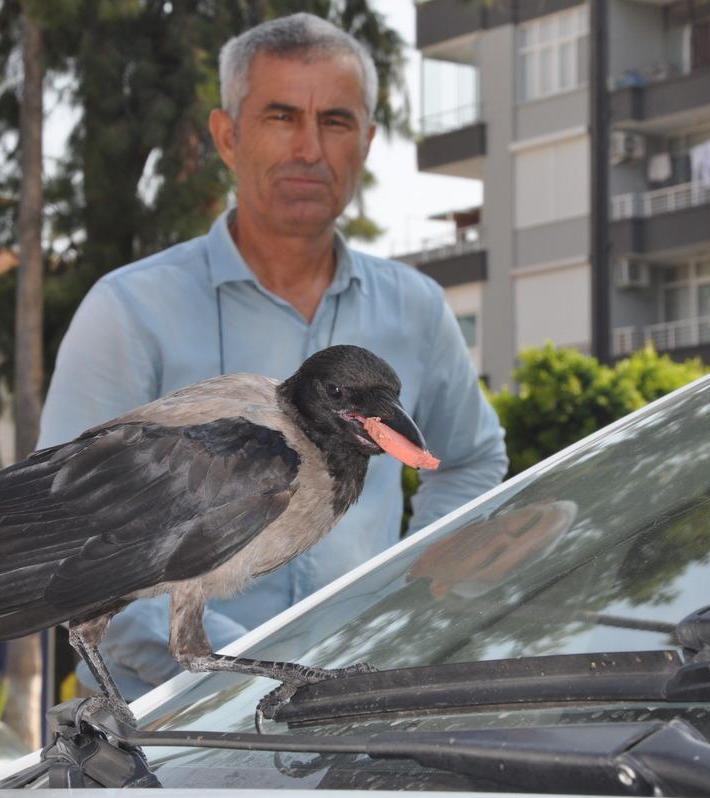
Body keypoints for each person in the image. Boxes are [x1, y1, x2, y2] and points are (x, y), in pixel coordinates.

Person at [37, 12, 508, 699]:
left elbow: (471, 462)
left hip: (354, 701)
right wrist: (251, 677)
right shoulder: (129, 309)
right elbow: (67, 528)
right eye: (281, 116)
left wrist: (406, 593)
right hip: (165, 725)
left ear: (367, 141)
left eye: (336, 121)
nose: (309, 149)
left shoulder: (419, 308)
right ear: (227, 136)